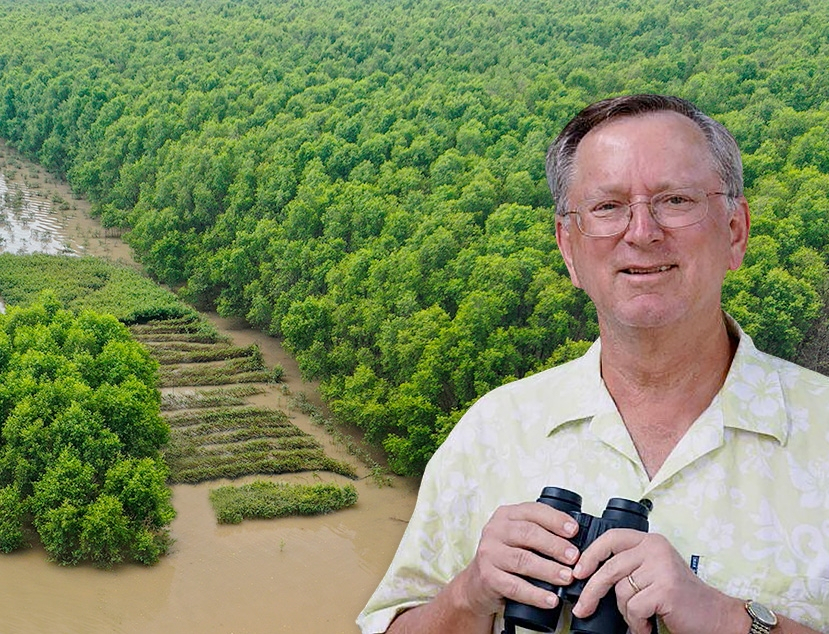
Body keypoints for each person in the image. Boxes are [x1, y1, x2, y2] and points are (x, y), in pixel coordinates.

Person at [356, 94, 829, 634]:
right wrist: (470, 595)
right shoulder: (494, 433)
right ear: (568, 248)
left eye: (676, 200)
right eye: (607, 207)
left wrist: (732, 621)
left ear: (735, 231)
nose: (642, 231)